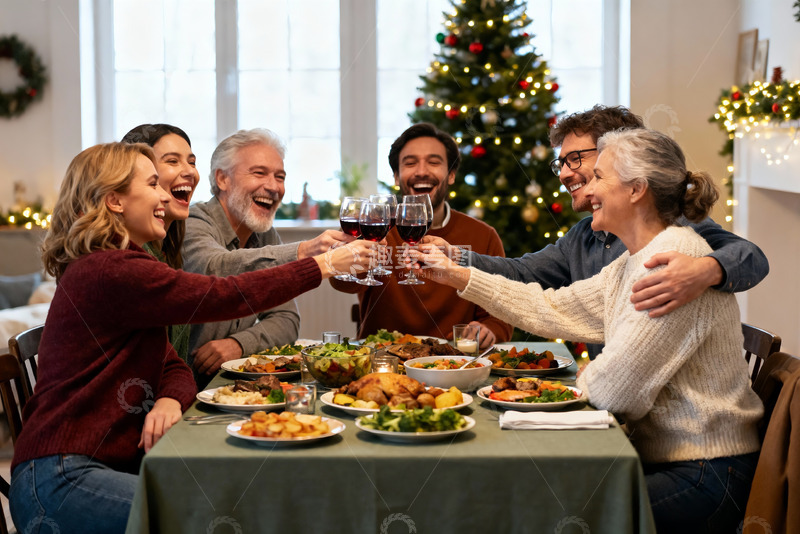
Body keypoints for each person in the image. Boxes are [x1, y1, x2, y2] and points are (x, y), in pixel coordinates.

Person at [8, 142, 376, 533]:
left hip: (95, 467)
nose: (165, 195)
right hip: (60, 478)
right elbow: (220, 295)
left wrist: (169, 397)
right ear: (114, 200)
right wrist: (319, 265)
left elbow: (171, 364)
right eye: (153, 184)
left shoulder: (126, 265)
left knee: (235, 501)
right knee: (222, 518)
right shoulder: (109, 269)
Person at [413, 128, 763, 533]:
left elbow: (614, 393)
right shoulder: (634, 260)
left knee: (553, 516)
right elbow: (552, 306)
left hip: (706, 474)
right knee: (537, 500)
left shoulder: (673, 262)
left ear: (636, 190)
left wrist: (589, 374)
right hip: (667, 460)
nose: (583, 187)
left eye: (599, 176)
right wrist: (457, 276)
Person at [424, 105, 769, 359]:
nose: (563, 173)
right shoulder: (584, 235)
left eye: (574, 158)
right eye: (561, 163)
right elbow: (524, 273)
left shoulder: (673, 228)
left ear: (615, 155)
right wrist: (455, 257)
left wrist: (706, 270)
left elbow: (752, 258)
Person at [182, 129, 357, 386]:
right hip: (183, 389)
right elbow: (214, 267)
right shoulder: (193, 222)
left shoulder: (264, 234)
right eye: (259, 173)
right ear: (222, 179)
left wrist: (239, 344)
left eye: (280, 176)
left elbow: (285, 319)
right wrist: (303, 252)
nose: (274, 187)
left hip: (228, 384)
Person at [331, 123, 512, 349]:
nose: (422, 171)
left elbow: (499, 313)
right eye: (410, 163)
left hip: (453, 363)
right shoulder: (376, 228)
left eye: (434, 162)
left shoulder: (483, 235)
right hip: (384, 362)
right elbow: (343, 283)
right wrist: (344, 257)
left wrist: (489, 330)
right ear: (397, 177)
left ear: (452, 174)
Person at [122, 123, 199, 361]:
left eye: (192, 162)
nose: (190, 172)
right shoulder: (127, 258)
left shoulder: (167, 251)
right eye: (172, 161)